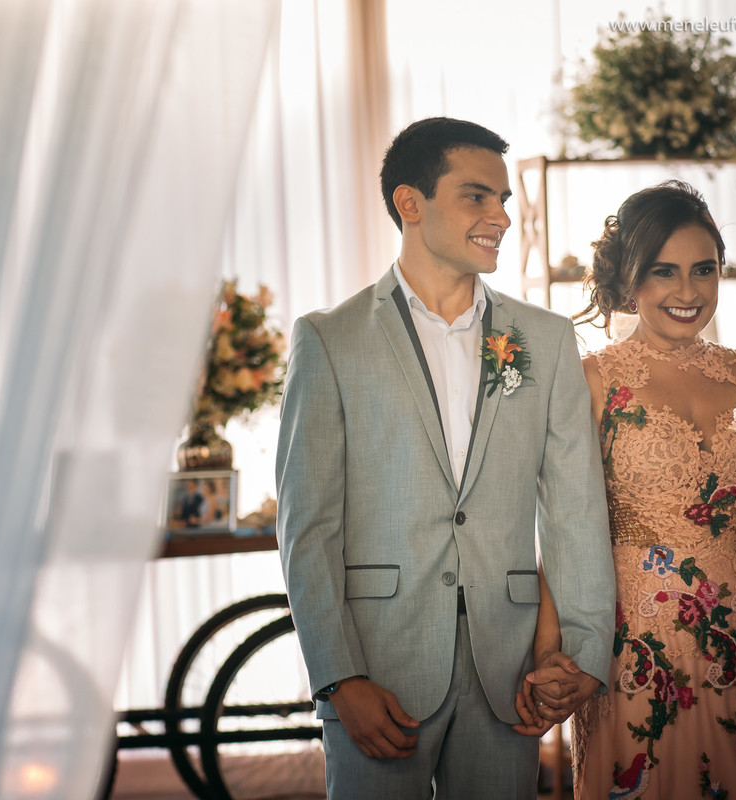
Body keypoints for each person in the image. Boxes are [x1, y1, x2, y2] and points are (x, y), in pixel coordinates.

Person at [275, 116, 616, 798]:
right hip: (378, 667)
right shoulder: (329, 340)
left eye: (504, 200)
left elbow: (576, 508)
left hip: (509, 672)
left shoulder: (544, 341)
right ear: (411, 203)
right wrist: (339, 679)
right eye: (477, 196)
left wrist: (581, 653)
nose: (500, 216)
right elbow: (308, 528)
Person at [533, 180, 736, 797]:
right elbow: (562, 532)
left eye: (703, 270)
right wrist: (549, 651)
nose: (688, 293)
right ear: (630, 278)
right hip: (636, 654)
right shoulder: (593, 382)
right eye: (664, 272)